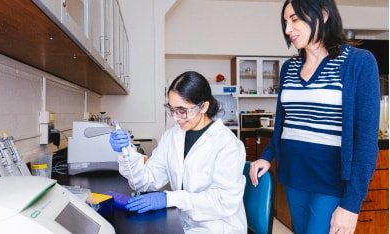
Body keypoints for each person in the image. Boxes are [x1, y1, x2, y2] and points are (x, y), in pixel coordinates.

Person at [249, 0, 380, 234]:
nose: (287, 29)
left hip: (331, 181)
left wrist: (351, 205)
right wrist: (267, 157)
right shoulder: (289, 68)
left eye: (295, 19)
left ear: (323, 14)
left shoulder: (358, 62)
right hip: (294, 176)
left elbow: (366, 142)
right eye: (285, 22)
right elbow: (284, 123)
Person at [110, 71, 247, 233]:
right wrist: (126, 151)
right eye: (172, 109)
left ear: (203, 106)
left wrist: (170, 198)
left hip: (218, 226)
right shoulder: (171, 137)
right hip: (182, 222)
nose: (176, 117)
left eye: (182, 111)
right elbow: (146, 180)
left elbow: (223, 202)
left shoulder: (228, 144)